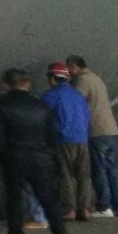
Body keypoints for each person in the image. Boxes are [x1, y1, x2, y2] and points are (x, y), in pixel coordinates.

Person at [0, 67, 68, 234]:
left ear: (5, 85)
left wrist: (3, 159)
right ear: (27, 83)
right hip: (41, 159)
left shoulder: (2, 105)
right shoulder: (41, 105)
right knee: (48, 198)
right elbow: (53, 135)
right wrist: (52, 157)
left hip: (15, 158)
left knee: (15, 200)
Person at [67, 55, 118, 218]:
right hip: (111, 130)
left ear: (74, 66)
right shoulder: (96, 78)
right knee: (112, 170)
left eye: (68, 69)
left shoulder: (81, 81)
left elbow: (74, 103)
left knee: (98, 170)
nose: (68, 73)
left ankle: (104, 207)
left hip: (96, 131)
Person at [43, 61, 94, 222]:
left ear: (52, 78)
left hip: (64, 139)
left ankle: (69, 210)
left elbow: (42, 116)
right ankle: (85, 209)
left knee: (66, 174)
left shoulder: (51, 95)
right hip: (82, 139)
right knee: (84, 175)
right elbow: (87, 115)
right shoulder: (78, 95)